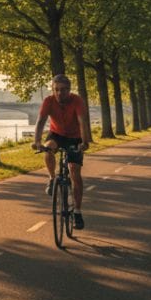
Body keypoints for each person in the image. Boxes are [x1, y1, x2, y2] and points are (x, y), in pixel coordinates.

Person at [32, 74, 93, 229]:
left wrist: (84, 142)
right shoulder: (48, 101)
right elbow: (40, 121)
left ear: (69, 90)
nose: (60, 93)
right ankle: (52, 178)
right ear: (53, 89)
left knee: (75, 173)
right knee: (48, 149)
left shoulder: (77, 100)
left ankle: (77, 212)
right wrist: (37, 141)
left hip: (75, 137)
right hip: (56, 134)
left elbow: (82, 122)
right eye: (57, 89)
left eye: (64, 89)